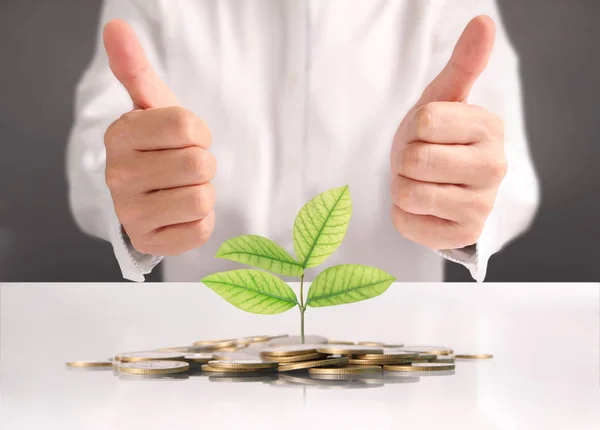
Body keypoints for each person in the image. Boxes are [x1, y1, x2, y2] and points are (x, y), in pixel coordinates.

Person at [67, 0, 539, 283]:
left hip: (392, 366)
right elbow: (94, 162)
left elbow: (511, 177)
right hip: (204, 357)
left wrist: (471, 196)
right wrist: (129, 190)